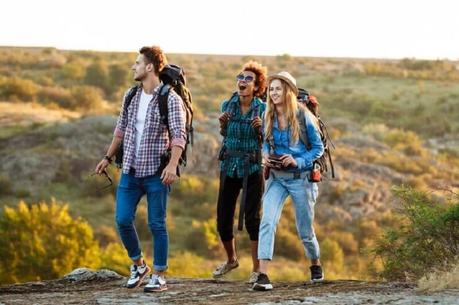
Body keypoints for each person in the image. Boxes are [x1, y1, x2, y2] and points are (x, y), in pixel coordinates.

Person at [94, 46, 186, 293]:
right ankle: (139, 265)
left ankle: (159, 275)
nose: (133, 67)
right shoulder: (131, 95)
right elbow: (120, 129)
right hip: (131, 170)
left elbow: (179, 136)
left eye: (137, 63)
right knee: (122, 219)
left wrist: (172, 165)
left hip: (157, 172)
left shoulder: (170, 98)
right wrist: (107, 157)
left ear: (149, 67)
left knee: (157, 224)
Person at [252, 72, 324, 291]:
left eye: (278, 89)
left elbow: (318, 148)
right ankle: (263, 275)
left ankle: (315, 263)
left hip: (301, 179)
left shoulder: (303, 117)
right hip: (276, 178)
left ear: (288, 92)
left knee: (305, 230)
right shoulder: (267, 115)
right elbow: (265, 143)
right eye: (271, 89)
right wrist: (266, 156)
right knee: (267, 221)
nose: (273, 93)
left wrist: (297, 160)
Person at [213, 61, 268, 284]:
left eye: (248, 79)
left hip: (253, 167)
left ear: (257, 86)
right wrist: (223, 126)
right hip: (229, 166)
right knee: (222, 220)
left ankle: (256, 269)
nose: (242, 81)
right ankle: (231, 259)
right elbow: (226, 134)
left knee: (253, 219)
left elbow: (269, 141)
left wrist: (260, 130)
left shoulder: (264, 110)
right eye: (240, 77)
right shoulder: (227, 105)